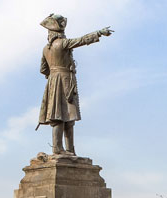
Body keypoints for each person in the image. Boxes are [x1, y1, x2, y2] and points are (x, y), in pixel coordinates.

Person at [36, 14, 112, 155]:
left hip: (53, 81)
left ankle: (65, 149)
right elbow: (81, 40)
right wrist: (99, 33)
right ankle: (62, 149)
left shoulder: (46, 49)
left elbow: (43, 69)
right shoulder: (62, 43)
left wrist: (52, 76)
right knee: (65, 117)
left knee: (60, 116)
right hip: (65, 81)